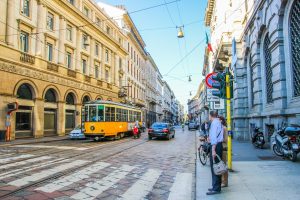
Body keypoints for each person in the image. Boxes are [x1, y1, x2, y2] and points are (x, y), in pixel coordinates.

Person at [207, 111, 224, 195]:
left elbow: (214, 138)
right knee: (217, 165)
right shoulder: (219, 122)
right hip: (219, 145)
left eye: (209, 115)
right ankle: (216, 186)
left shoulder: (214, 123)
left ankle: (216, 189)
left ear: (210, 116)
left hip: (215, 146)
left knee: (215, 167)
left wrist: (213, 150)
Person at [219, 116, 228, 187]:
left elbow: (226, 139)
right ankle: (222, 181)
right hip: (220, 148)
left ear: (221, 120)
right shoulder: (220, 128)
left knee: (223, 166)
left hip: (223, 148)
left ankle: (225, 182)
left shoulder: (224, 128)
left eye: (218, 120)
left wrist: (218, 139)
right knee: (220, 166)